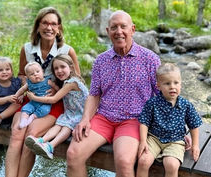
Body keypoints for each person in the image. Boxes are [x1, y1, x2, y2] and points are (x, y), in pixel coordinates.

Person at [66, 10, 161, 177]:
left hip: (134, 119)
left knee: (124, 162)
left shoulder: (150, 59)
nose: (119, 31)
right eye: (114, 27)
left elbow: (163, 96)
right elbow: (94, 94)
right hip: (104, 118)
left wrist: (177, 127)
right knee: (73, 155)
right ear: (107, 31)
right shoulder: (101, 61)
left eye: (123, 26)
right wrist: (85, 119)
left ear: (132, 29)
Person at [5, 7, 80, 177]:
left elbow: (76, 81)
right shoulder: (26, 49)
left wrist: (55, 90)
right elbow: (22, 74)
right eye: (45, 23)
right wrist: (29, 85)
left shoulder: (67, 51)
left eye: (53, 24)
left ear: (59, 28)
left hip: (54, 102)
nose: (49, 27)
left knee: (31, 135)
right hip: (30, 100)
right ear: (38, 26)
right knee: (17, 133)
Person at [136, 63, 202, 177]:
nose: (172, 86)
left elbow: (194, 125)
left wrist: (195, 145)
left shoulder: (186, 105)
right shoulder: (152, 103)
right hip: (154, 139)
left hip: (175, 141)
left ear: (181, 84)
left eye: (176, 83)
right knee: (143, 161)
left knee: (171, 164)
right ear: (158, 86)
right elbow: (144, 122)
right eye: (167, 83)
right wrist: (142, 141)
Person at [24, 54, 89, 160]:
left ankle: (50, 146)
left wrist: (33, 97)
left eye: (62, 67)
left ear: (71, 67)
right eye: (56, 68)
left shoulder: (72, 83)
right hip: (71, 112)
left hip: (81, 113)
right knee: (59, 124)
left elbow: (54, 99)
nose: (59, 71)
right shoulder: (68, 82)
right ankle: (41, 141)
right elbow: (62, 93)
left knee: (67, 126)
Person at [14, 62, 58, 129]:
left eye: (38, 71)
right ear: (28, 77)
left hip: (45, 102)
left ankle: (33, 117)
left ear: (42, 72)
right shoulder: (29, 84)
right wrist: (16, 96)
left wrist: (58, 91)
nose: (35, 74)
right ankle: (24, 120)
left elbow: (56, 87)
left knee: (45, 110)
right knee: (26, 108)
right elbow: (22, 89)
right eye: (32, 74)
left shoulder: (48, 81)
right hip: (33, 102)